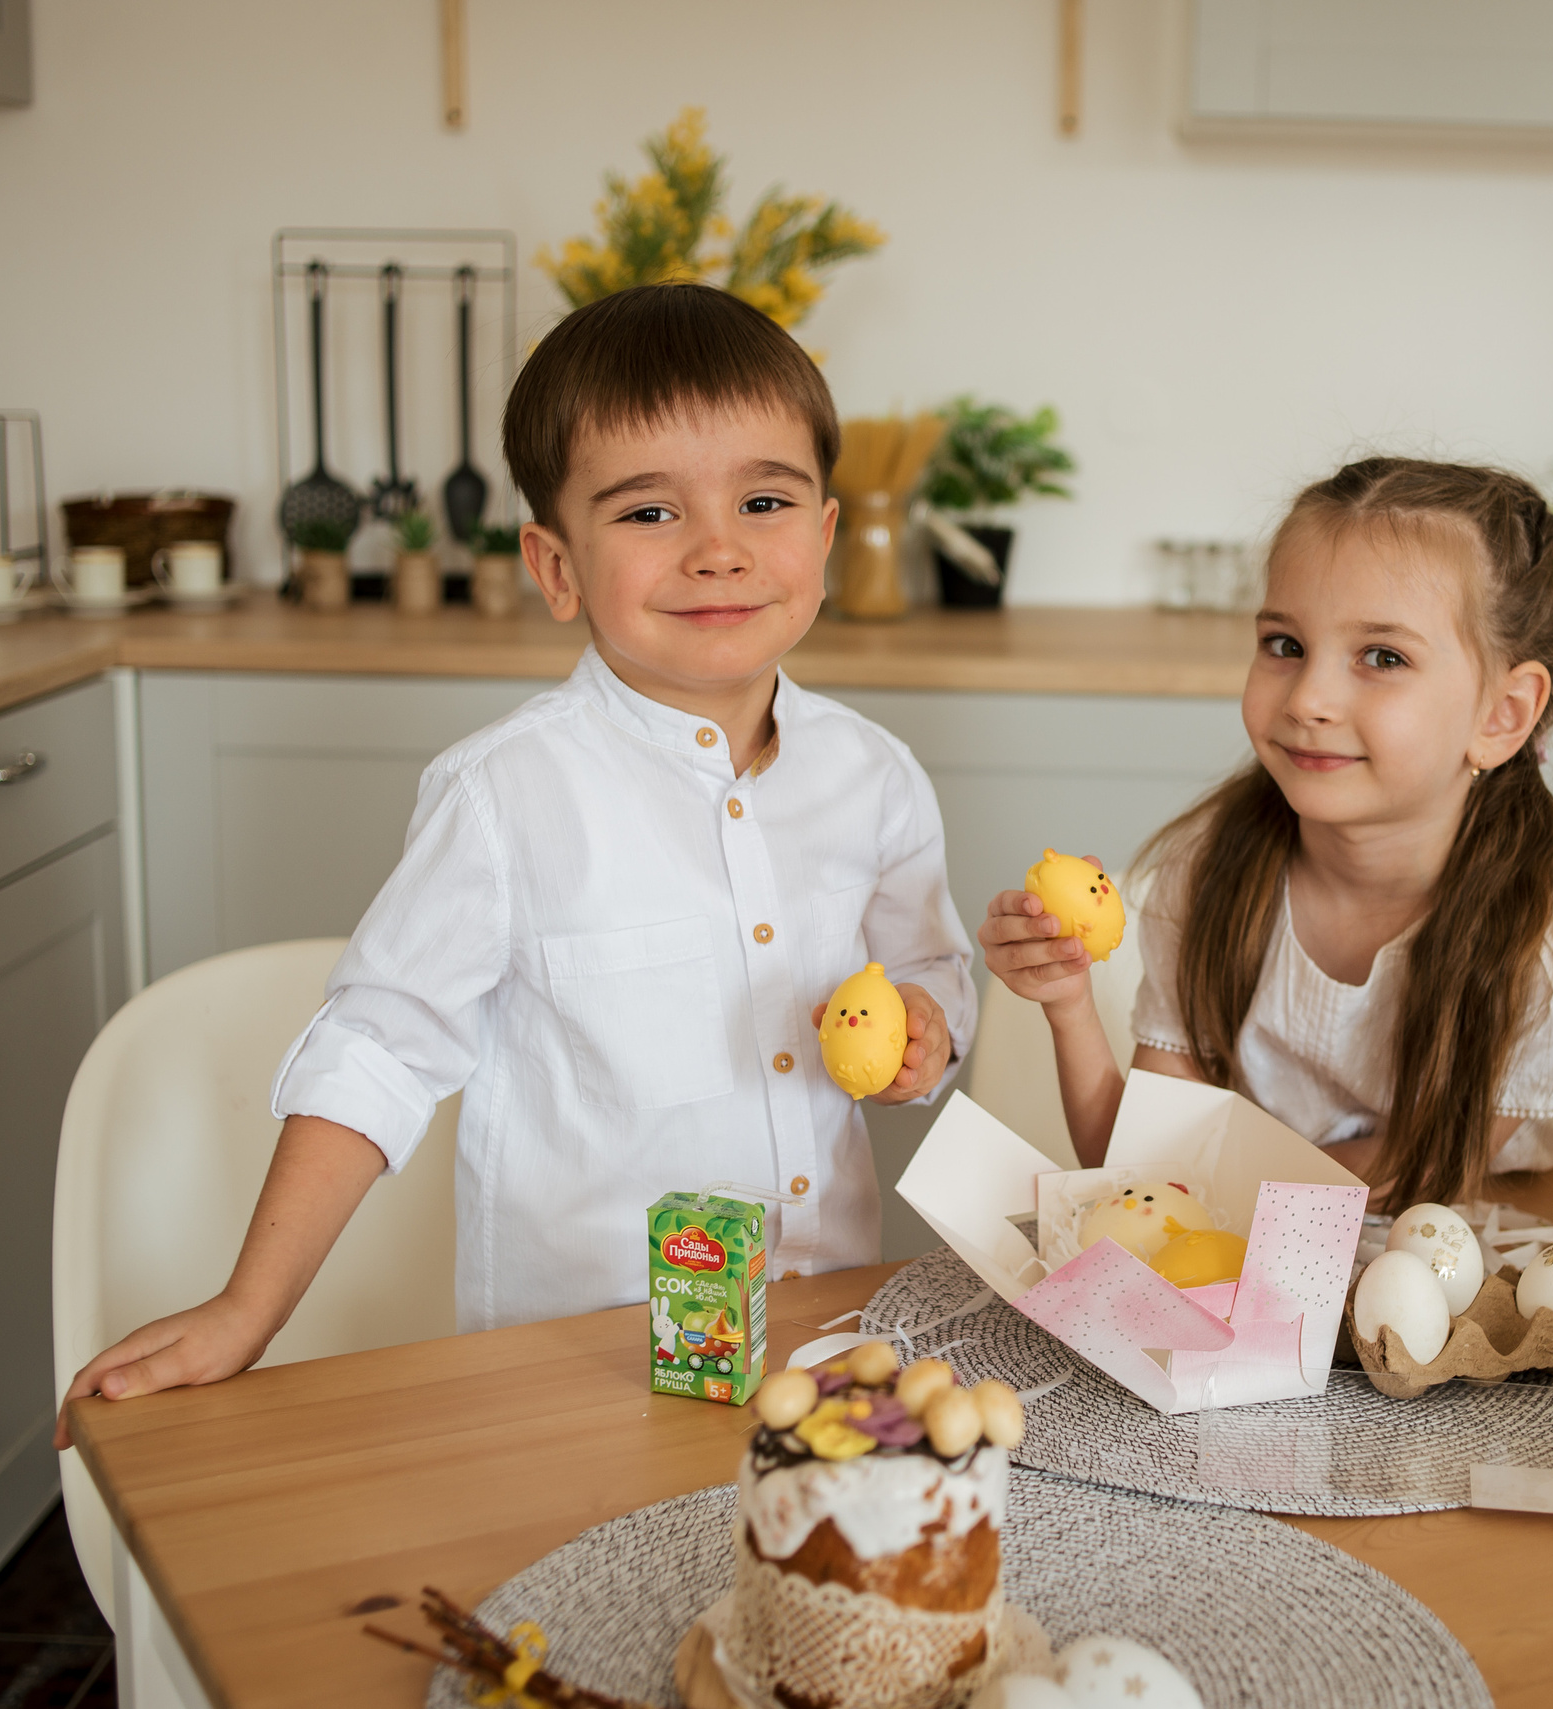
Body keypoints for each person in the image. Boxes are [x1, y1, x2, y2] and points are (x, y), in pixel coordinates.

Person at [57, 284, 974, 1441]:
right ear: (555, 566)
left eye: (762, 499)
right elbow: (378, 1048)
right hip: (579, 1368)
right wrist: (250, 1307)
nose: (718, 548)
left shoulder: (873, 775)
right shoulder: (503, 796)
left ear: (825, 538)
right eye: (648, 514)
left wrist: (930, 1029)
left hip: (824, 1339)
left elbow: (933, 971)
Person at [980, 458, 1553, 1212]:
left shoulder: (1545, 953)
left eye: (1382, 657)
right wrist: (1068, 1003)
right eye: (1285, 644)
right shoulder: (1209, 873)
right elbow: (1141, 1178)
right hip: (1283, 1224)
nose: (1310, 697)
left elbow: (1409, 1180)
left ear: (1502, 716)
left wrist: (1202, 1178)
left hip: (1476, 1215)